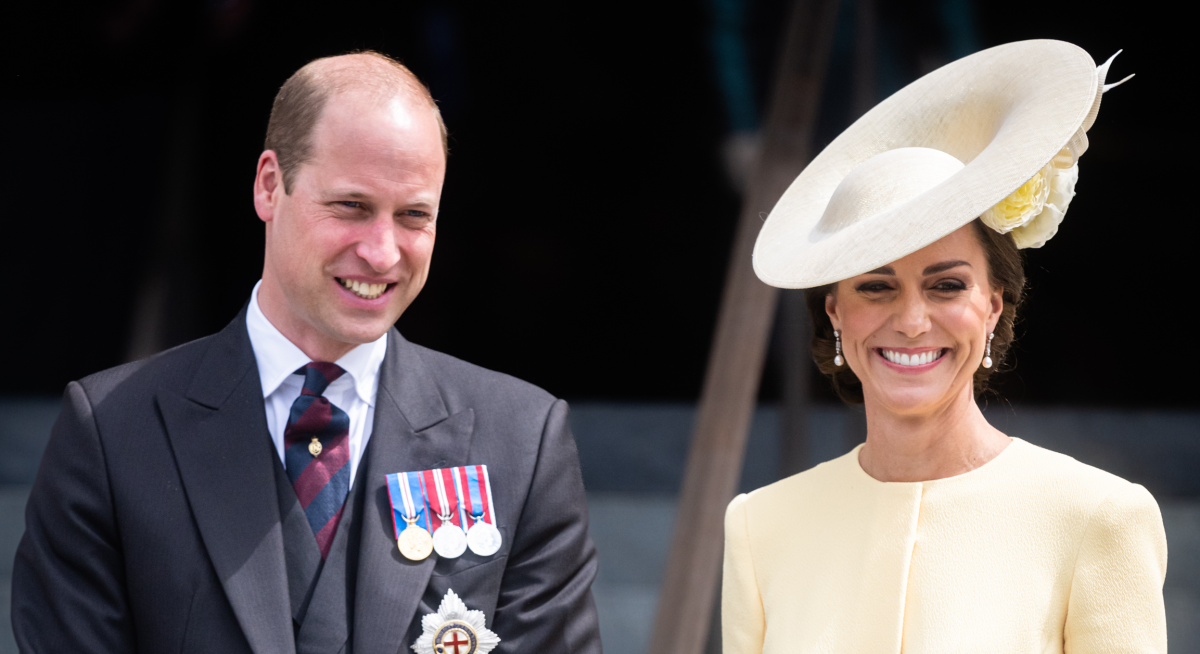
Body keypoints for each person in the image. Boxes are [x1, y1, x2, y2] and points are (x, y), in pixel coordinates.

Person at [12, 51, 601, 654]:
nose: (381, 252)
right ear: (271, 185)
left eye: (414, 216)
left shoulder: (521, 441)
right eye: (351, 206)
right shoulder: (112, 433)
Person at [722, 41, 1167, 653]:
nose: (910, 320)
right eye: (876, 287)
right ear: (835, 314)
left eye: (947, 285)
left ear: (994, 307)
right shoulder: (758, 526)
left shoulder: (1097, 517)